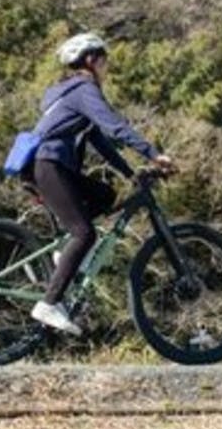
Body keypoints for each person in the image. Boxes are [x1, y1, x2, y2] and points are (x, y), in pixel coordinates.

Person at [28, 32, 175, 335]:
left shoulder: (69, 92)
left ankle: (66, 254)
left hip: (55, 167)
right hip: (50, 166)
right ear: (92, 60)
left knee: (105, 195)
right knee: (85, 233)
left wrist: (130, 173)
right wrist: (154, 154)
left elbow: (101, 141)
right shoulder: (84, 89)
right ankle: (49, 304)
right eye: (105, 61)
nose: (107, 68)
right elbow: (116, 127)